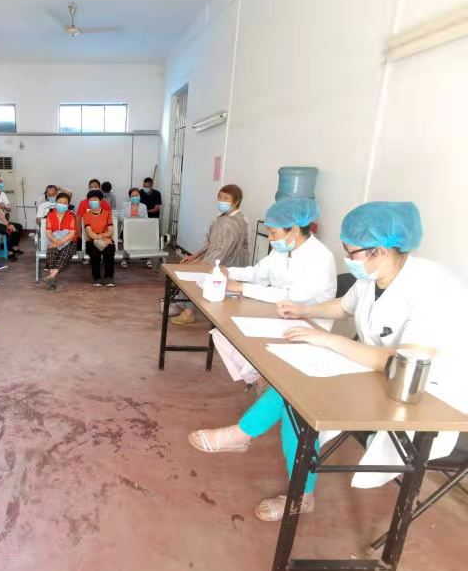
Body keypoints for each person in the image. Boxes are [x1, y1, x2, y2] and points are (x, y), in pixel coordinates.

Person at [187, 201, 467, 521]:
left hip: (426, 396)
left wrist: (328, 340)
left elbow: (401, 362)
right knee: (295, 384)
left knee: (300, 403)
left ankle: (295, 488)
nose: (347, 259)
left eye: (351, 252)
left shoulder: (432, 287)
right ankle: (246, 438)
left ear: (379, 251)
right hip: (377, 373)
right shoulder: (374, 273)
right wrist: (303, 311)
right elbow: (344, 307)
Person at [190, 197, 335, 389]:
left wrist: (241, 288)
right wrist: (228, 272)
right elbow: (258, 273)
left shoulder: (320, 258)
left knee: (243, 341)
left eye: (273, 233)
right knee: (223, 334)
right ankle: (260, 381)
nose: (271, 238)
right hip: (276, 314)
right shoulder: (282, 250)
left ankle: (265, 382)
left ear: (294, 230)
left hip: (307, 324)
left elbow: (291, 296)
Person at [172, 184, 250, 324]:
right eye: (220, 197)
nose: (221, 201)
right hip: (215, 258)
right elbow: (210, 241)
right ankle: (183, 305)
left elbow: (223, 251)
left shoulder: (234, 222)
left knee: (193, 275)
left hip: (227, 263)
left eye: (226, 198)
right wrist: (195, 256)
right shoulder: (223, 218)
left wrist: (203, 264)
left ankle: (188, 312)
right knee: (188, 267)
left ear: (236, 201)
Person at [43, 192, 78, 290]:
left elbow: (72, 234)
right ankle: (52, 278)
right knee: (52, 251)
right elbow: (49, 233)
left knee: (65, 253)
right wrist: (55, 242)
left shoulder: (71, 215)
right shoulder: (50, 214)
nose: (62, 204)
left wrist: (59, 242)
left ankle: (51, 276)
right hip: (54, 240)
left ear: (68, 205)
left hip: (70, 242)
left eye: (64, 203)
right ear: (56, 202)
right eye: (60, 202)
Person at [84, 190, 116, 287]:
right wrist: (98, 238)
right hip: (92, 240)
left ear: (101, 201)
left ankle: (109, 276)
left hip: (106, 238)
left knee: (109, 252)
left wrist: (103, 236)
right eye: (90, 200)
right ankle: (96, 277)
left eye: (95, 199)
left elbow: (111, 230)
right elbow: (89, 231)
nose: (92, 201)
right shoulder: (86, 215)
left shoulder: (107, 214)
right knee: (94, 253)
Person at [0, 174, 24, 258]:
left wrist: (4, 207)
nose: (0, 183)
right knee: (10, 230)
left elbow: (9, 209)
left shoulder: (3, 194)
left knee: (19, 227)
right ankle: (8, 251)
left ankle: (14, 247)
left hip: (2, 221)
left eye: (1, 181)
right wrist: (8, 224)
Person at [119, 188, 149, 269]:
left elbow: (146, 219)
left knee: (146, 237)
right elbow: (121, 217)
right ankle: (124, 259)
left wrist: (139, 219)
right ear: (130, 197)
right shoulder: (125, 205)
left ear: (140, 196)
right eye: (133, 196)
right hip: (127, 229)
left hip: (139, 229)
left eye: (137, 195)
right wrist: (130, 218)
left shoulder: (143, 206)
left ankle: (146, 258)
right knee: (126, 238)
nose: (135, 197)